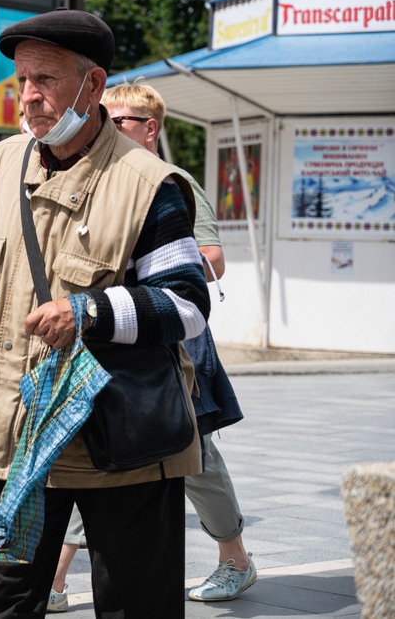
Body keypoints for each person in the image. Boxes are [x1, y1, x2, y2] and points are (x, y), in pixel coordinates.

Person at [0, 8, 211, 617]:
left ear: (93, 84)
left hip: (123, 444)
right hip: (21, 435)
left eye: (45, 79)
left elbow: (187, 305)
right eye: (22, 80)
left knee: (136, 607)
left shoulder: (148, 181)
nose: (29, 96)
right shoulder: (2, 163)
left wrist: (90, 311)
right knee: (0, 601)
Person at [102, 80, 256, 602]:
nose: (108, 127)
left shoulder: (174, 181)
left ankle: (235, 558)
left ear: (149, 128)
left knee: (193, 452)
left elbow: (212, 259)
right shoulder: (100, 177)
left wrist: (159, 267)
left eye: (118, 120)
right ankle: (55, 579)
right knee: (91, 445)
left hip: (170, 339)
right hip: (108, 334)